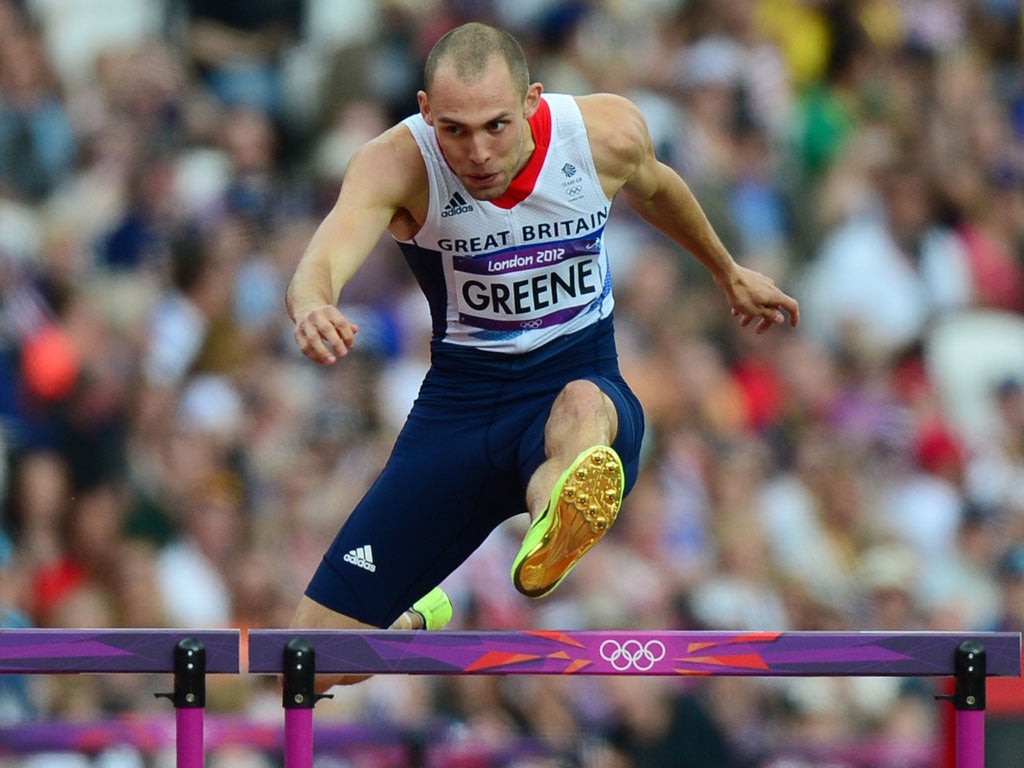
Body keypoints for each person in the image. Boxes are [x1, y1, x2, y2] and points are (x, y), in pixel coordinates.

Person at [285, 22, 799, 685]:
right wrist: (313, 305)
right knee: (304, 664)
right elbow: (321, 259)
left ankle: (550, 523)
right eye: (455, 130)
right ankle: (422, 612)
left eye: (496, 126)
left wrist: (727, 271)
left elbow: (659, 188)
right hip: (460, 416)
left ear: (533, 101)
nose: (476, 152)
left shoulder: (602, 135)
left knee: (581, 410)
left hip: (577, 386)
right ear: (424, 112)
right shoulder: (399, 161)